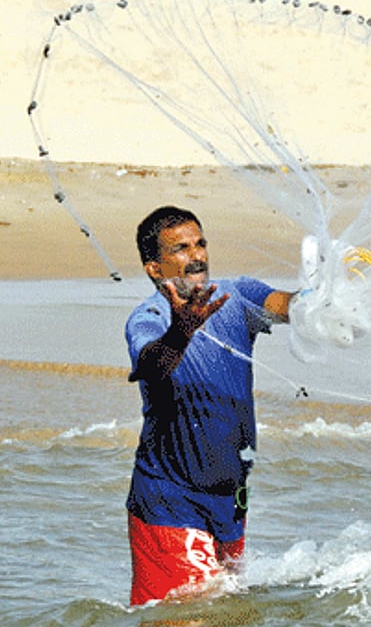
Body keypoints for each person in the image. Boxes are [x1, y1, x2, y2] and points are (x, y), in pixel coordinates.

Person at [124, 205, 292, 605]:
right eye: (181, 248)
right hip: (169, 500)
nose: (197, 255)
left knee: (224, 626)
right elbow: (152, 366)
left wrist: (335, 304)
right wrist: (182, 331)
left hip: (229, 500)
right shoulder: (148, 317)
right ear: (154, 268)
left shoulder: (237, 296)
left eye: (200, 243)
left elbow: (287, 306)